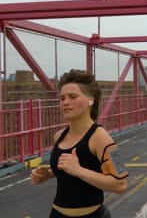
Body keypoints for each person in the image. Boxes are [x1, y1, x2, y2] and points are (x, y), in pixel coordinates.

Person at [31, 69, 128, 218]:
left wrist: (78, 170)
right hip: (56, 214)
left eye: (73, 96)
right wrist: (49, 174)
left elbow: (120, 184)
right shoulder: (59, 136)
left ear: (91, 100)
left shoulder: (101, 137)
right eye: (62, 98)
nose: (65, 102)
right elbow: (70, 173)